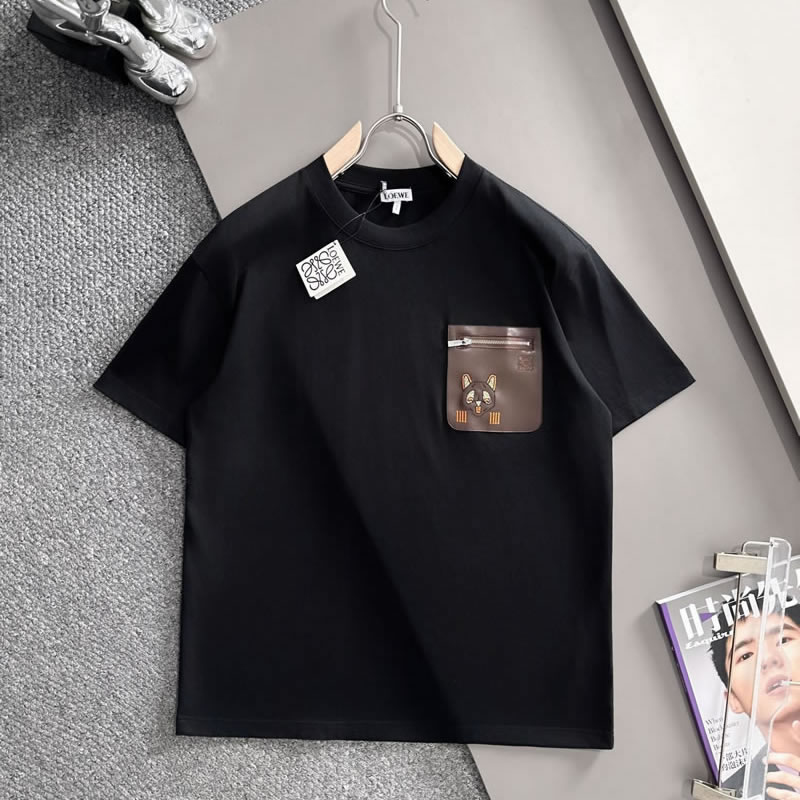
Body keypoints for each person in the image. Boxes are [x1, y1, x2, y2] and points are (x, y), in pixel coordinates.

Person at [708, 595, 800, 797]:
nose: (768, 659)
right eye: (746, 656)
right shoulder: (732, 793)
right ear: (733, 700)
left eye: (783, 640)